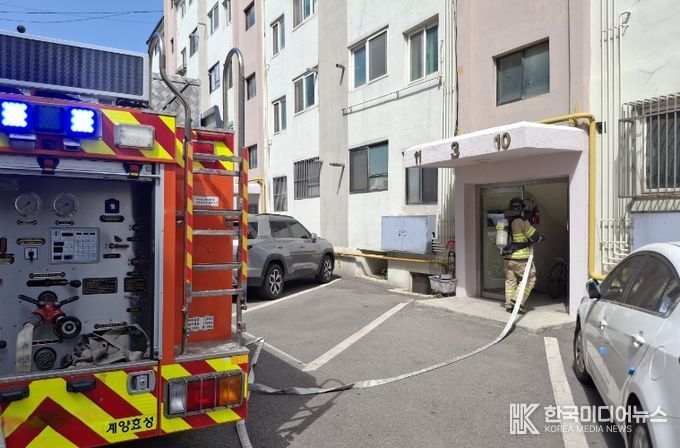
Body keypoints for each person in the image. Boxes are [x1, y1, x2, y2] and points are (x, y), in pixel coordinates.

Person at [502, 197, 544, 314]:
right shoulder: (521, 221)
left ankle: (509, 304)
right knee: (530, 279)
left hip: (508, 258)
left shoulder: (506, 220)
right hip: (520, 258)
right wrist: (540, 237)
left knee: (510, 281)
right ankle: (517, 301)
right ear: (521, 208)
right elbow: (534, 236)